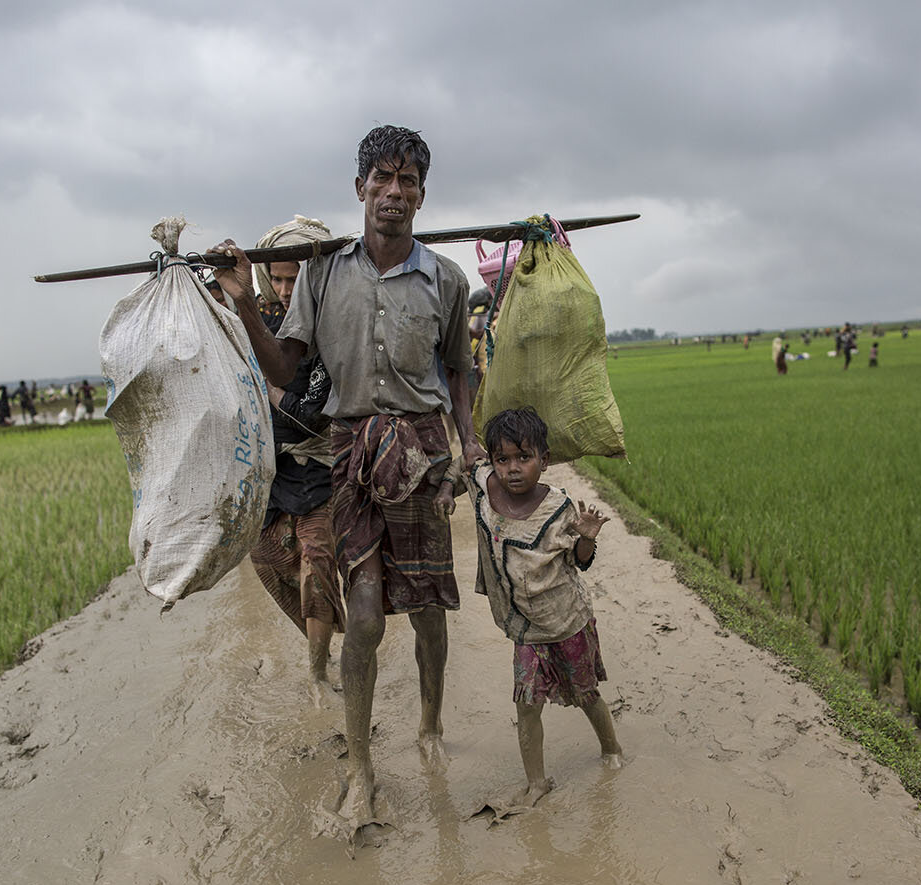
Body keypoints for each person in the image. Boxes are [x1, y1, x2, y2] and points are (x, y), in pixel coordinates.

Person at [211, 125, 487, 827]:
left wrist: (469, 439)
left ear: (422, 196)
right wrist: (245, 302)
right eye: (382, 179)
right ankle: (361, 767)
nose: (394, 192)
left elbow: (458, 368)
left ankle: (428, 723)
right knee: (362, 615)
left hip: (422, 452)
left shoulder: (445, 280)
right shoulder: (324, 274)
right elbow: (289, 371)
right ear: (359, 187)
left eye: (408, 182)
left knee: (427, 610)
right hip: (354, 452)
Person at [466, 407, 622, 807]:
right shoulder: (485, 487)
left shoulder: (559, 508)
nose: (512, 469)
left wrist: (586, 537)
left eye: (524, 457)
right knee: (526, 704)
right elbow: (466, 465)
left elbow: (580, 562)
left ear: (544, 460)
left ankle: (611, 749)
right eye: (503, 459)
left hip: (566, 621)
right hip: (525, 630)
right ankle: (536, 782)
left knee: (586, 693)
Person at [241, 215, 348, 708]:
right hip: (271, 465)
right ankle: (322, 644)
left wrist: (269, 390)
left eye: (296, 278)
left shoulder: (331, 327)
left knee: (317, 560)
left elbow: (313, 418)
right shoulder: (258, 324)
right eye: (278, 278)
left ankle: (317, 671)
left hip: (318, 464)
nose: (286, 289)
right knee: (266, 559)